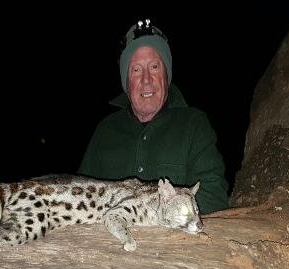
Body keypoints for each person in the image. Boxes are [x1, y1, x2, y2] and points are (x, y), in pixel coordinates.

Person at [78, 19, 228, 214]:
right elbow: (80, 196)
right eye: (136, 70)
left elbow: (214, 196)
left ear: (167, 75)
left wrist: (143, 219)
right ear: (127, 82)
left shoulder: (194, 124)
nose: (146, 79)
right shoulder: (105, 130)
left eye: (154, 67)